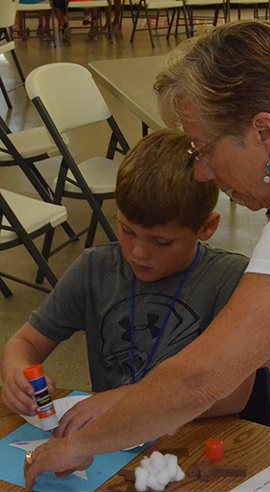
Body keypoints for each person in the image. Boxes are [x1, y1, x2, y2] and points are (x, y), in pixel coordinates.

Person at [22, 20, 270, 489]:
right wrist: (143, 398)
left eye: (203, 149)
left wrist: (80, 445)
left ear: (264, 132)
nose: (202, 173)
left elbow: (200, 379)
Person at [1, 129, 252, 446]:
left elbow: (234, 397)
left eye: (161, 241)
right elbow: (24, 342)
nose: (137, 252)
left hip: (192, 441)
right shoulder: (96, 269)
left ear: (207, 227)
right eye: (127, 230)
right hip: (111, 445)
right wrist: (16, 373)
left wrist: (126, 402)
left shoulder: (229, 279)